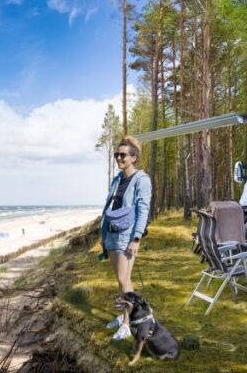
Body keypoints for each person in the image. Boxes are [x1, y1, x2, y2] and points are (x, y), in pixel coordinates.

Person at [100, 135, 152, 342]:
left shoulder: (142, 180)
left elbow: (143, 209)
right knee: (121, 281)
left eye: (122, 155)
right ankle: (125, 316)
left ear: (134, 157)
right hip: (112, 234)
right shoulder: (117, 179)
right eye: (116, 155)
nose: (118, 158)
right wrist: (103, 235)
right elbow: (110, 207)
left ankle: (127, 324)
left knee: (124, 280)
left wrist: (136, 238)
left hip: (126, 236)